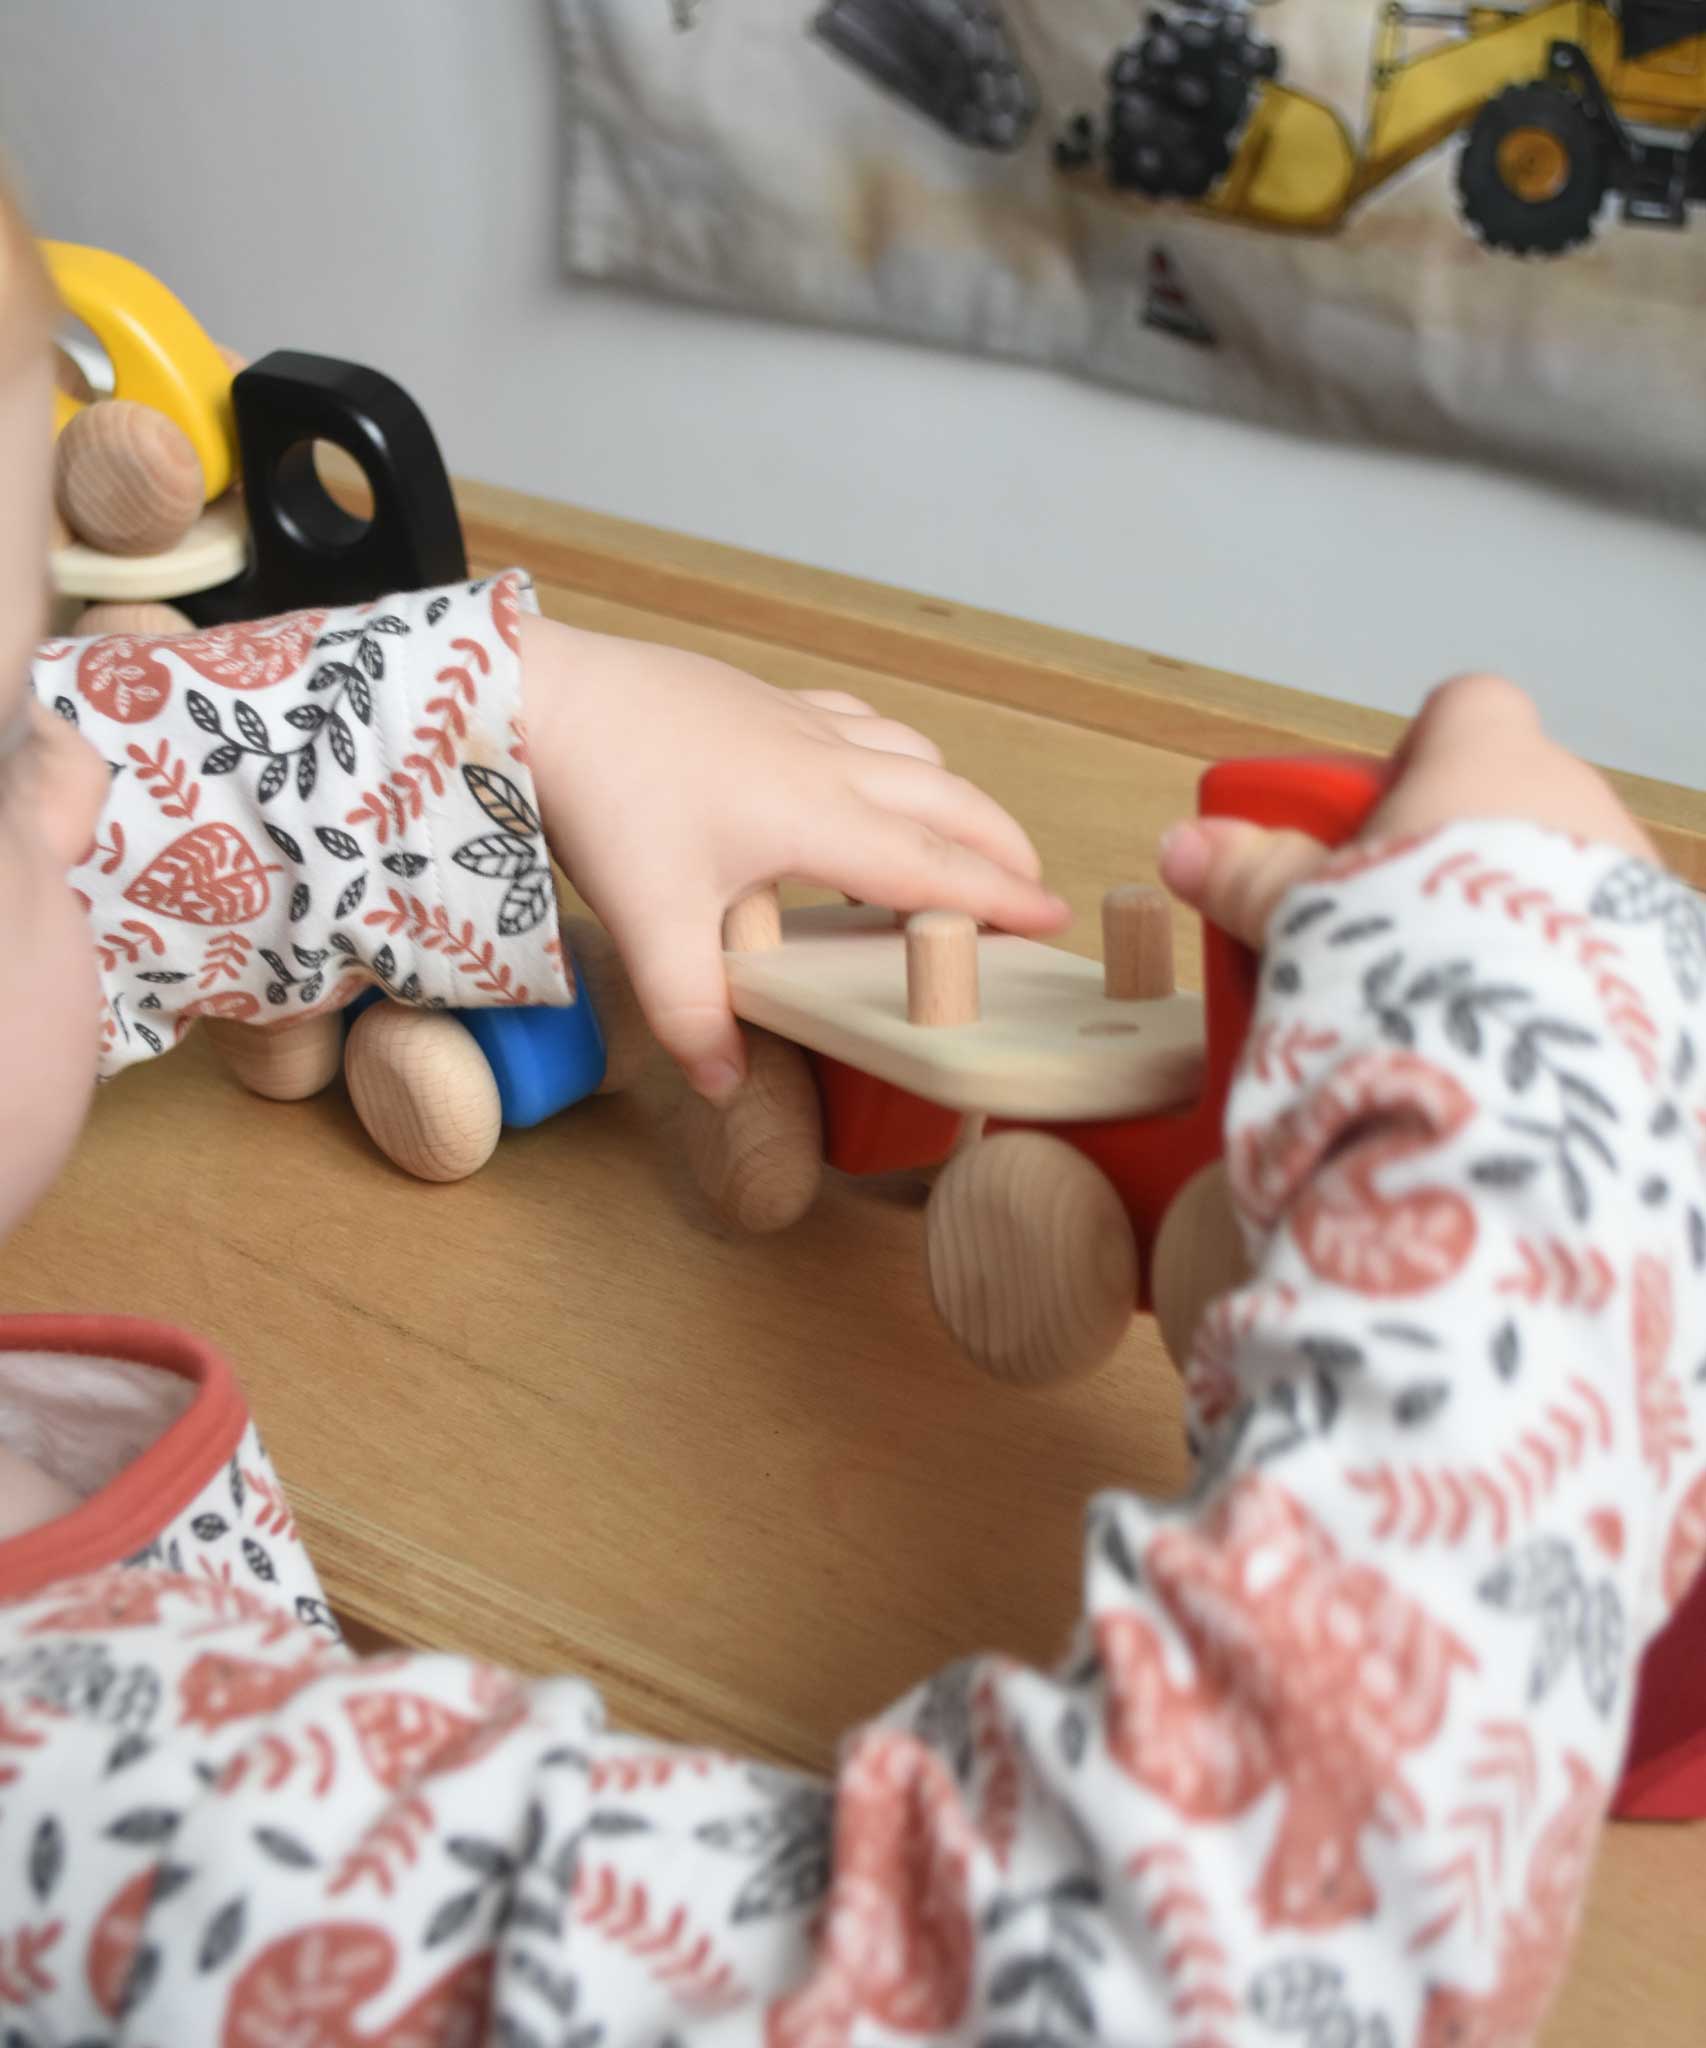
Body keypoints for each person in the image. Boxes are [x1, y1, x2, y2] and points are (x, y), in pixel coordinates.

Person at [1, 194, 1702, 2048]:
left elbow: (119, 771)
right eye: (10, 745)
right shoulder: (76, 1832)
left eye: (31, 671)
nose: (81, 783)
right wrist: (1528, 1142)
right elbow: (1186, 1984)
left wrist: (523, 710)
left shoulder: (75, 790)